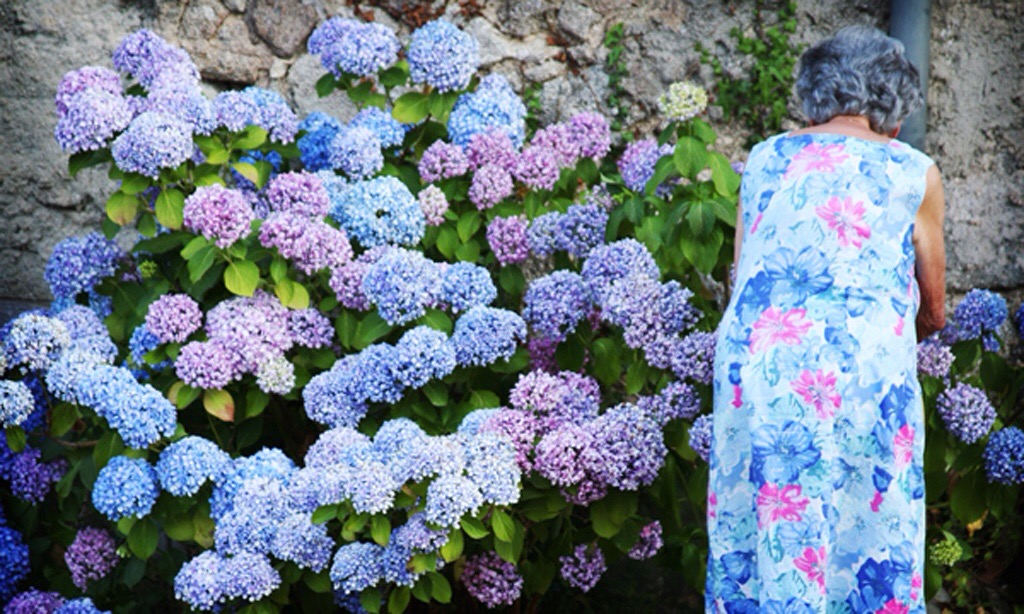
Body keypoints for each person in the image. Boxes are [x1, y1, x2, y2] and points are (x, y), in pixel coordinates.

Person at [705, 26, 946, 612]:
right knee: (868, 525)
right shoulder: (913, 172)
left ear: (814, 93)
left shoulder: (765, 158)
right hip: (860, 371)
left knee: (763, 519)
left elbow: (745, 278)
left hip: (760, 367)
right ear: (894, 104)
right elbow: (934, 306)